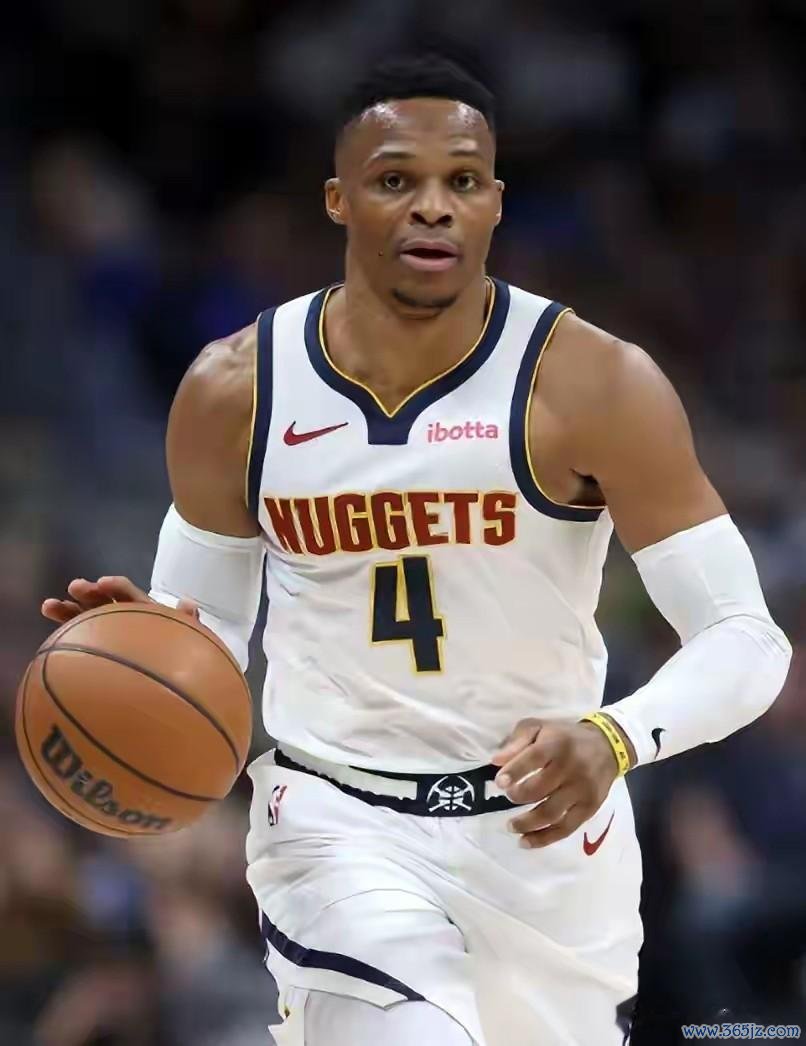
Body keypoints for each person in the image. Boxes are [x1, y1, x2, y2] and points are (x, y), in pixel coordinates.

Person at [41, 54, 792, 1046]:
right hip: (337, 824)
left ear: (493, 204)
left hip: (547, 842)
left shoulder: (596, 383)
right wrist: (146, 651)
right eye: (395, 178)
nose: (432, 205)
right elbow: (208, 628)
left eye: (462, 180)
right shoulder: (235, 392)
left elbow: (746, 638)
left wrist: (615, 737)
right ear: (338, 200)